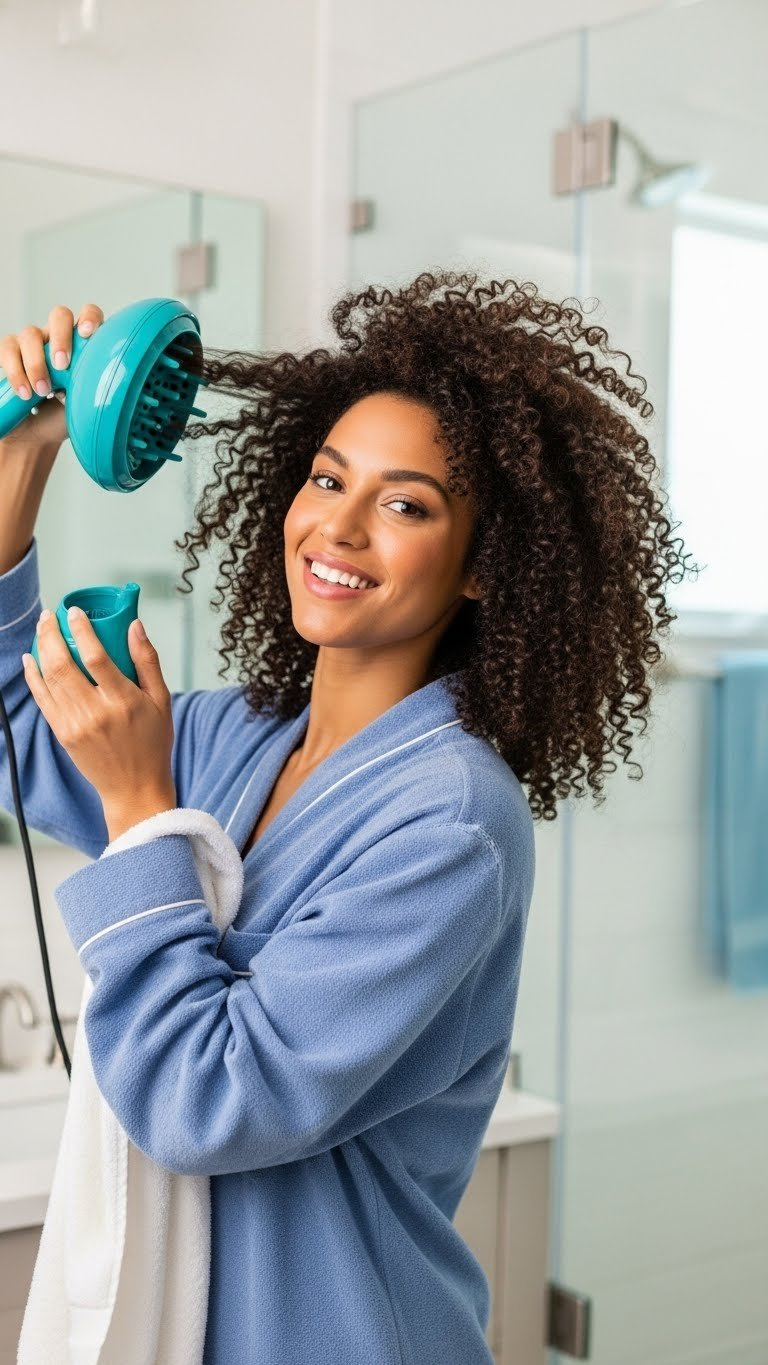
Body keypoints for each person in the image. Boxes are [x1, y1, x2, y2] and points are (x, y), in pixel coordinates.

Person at [0, 271, 698, 1364]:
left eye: (407, 504)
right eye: (329, 479)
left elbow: (207, 1106)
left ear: (481, 567)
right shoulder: (238, 735)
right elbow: (10, 728)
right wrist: (20, 463)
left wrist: (141, 806)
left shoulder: (451, 821)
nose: (340, 526)